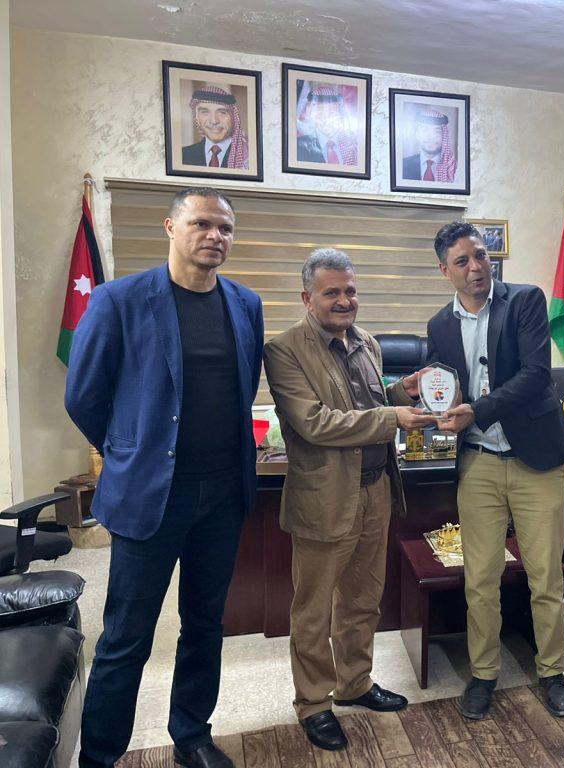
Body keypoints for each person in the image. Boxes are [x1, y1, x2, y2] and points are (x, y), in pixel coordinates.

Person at [65, 187, 264, 768]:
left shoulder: (246, 303)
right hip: (150, 496)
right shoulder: (119, 300)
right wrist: (130, 452)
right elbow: (83, 397)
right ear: (170, 228)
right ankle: (100, 756)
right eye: (201, 223)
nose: (215, 236)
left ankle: (192, 736)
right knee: (127, 635)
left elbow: (245, 385)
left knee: (205, 624)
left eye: (225, 228)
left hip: (222, 495)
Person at [262, 249, 434, 751]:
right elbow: (315, 423)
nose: (344, 300)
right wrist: (392, 418)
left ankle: (355, 683)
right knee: (314, 609)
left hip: (376, 489)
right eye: (332, 292)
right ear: (307, 298)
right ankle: (314, 703)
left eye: (351, 291)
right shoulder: (283, 350)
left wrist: (401, 392)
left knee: (363, 598)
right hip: (325, 497)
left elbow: (367, 403)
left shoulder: (366, 343)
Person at [427, 221, 564, 721]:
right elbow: (444, 384)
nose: (476, 268)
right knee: (480, 579)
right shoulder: (438, 326)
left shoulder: (524, 300)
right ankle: (484, 673)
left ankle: (552, 672)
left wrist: (478, 410)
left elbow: (536, 376)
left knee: (545, 576)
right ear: (445, 270)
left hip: (536, 461)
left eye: (481, 256)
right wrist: (428, 396)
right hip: (479, 464)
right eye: (462, 261)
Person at [181, 86, 250, 169]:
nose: (214, 121)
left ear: (233, 118)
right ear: (197, 119)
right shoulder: (183, 155)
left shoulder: (249, 156)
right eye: (205, 112)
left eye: (222, 112)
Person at [296, 84, 359, 166]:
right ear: (311, 115)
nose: (326, 119)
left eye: (332, 113)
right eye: (320, 113)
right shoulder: (299, 146)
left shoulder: (354, 145)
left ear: (340, 114)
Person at [402, 107, 456, 182]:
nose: (431, 137)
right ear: (417, 134)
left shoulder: (454, 169)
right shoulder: (402, 165)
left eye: (437, 131)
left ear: (444, 136)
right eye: (425, 130)